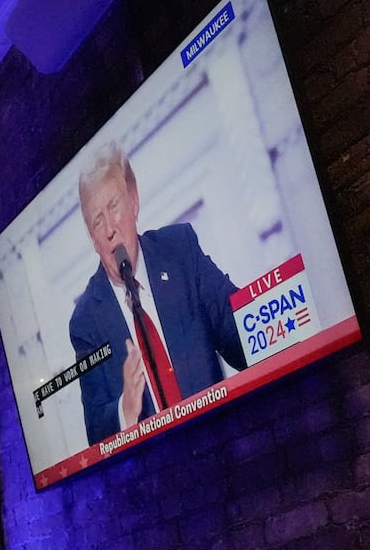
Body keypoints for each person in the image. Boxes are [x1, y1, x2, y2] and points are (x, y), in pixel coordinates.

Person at [70, 140, 247, 446]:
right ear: (92, 238)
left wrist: (274, 314)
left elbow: (236, 330)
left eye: (113, 206)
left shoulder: (179, 250)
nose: (110, 228)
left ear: (134, 202)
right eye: (97, 221)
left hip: (224, 443)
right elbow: (97, 430)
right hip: (154, 474)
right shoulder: (86, 320)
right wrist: (125, 409)